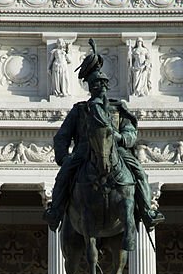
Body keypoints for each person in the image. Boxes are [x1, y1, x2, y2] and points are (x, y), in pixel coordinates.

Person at [44, 42, 164, 232]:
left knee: (139, 172)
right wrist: (63, 157)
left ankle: (147, 212)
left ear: (107, 86)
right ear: (90, 88)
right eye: (95, 84)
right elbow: (62, 136)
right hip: (84, 152)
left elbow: (131, 132)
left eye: (102, 83)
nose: (99, 86)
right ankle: (55, 211)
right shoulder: (80, 110)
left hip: (116, 150)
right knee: (64, 174)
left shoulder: (117, 108)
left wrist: (120, 138)